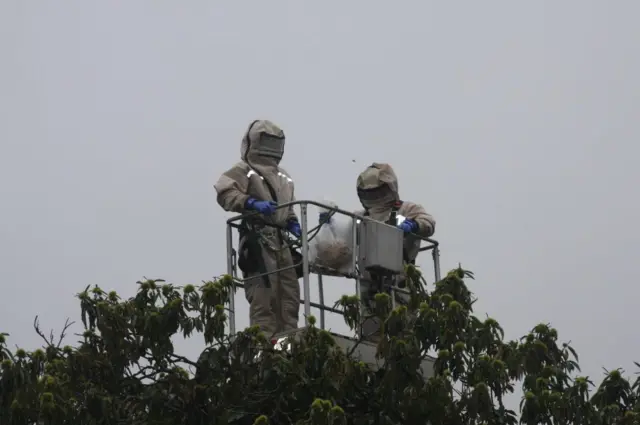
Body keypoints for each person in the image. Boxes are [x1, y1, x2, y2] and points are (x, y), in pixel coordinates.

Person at [214, 119, 301, 337]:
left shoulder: (284, 176)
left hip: (281, 241)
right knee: (263, 296)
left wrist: (293, 223)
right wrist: (251, 203)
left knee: (289, 296)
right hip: (258, 238)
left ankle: (288, 343)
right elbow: (225, 192)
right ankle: (264, 344)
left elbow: (288, 207)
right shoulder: (245, 169)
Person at [352, 162, 436, 342]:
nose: (376, 197)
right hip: (370, 286)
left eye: (379, 192)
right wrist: (330, 225)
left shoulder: (407, 209)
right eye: (371, 193)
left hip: (401, 281)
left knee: (404, 332)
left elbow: (428, 223)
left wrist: (414, 225)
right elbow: (343, 242)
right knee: (370, 337)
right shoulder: (360, 217)